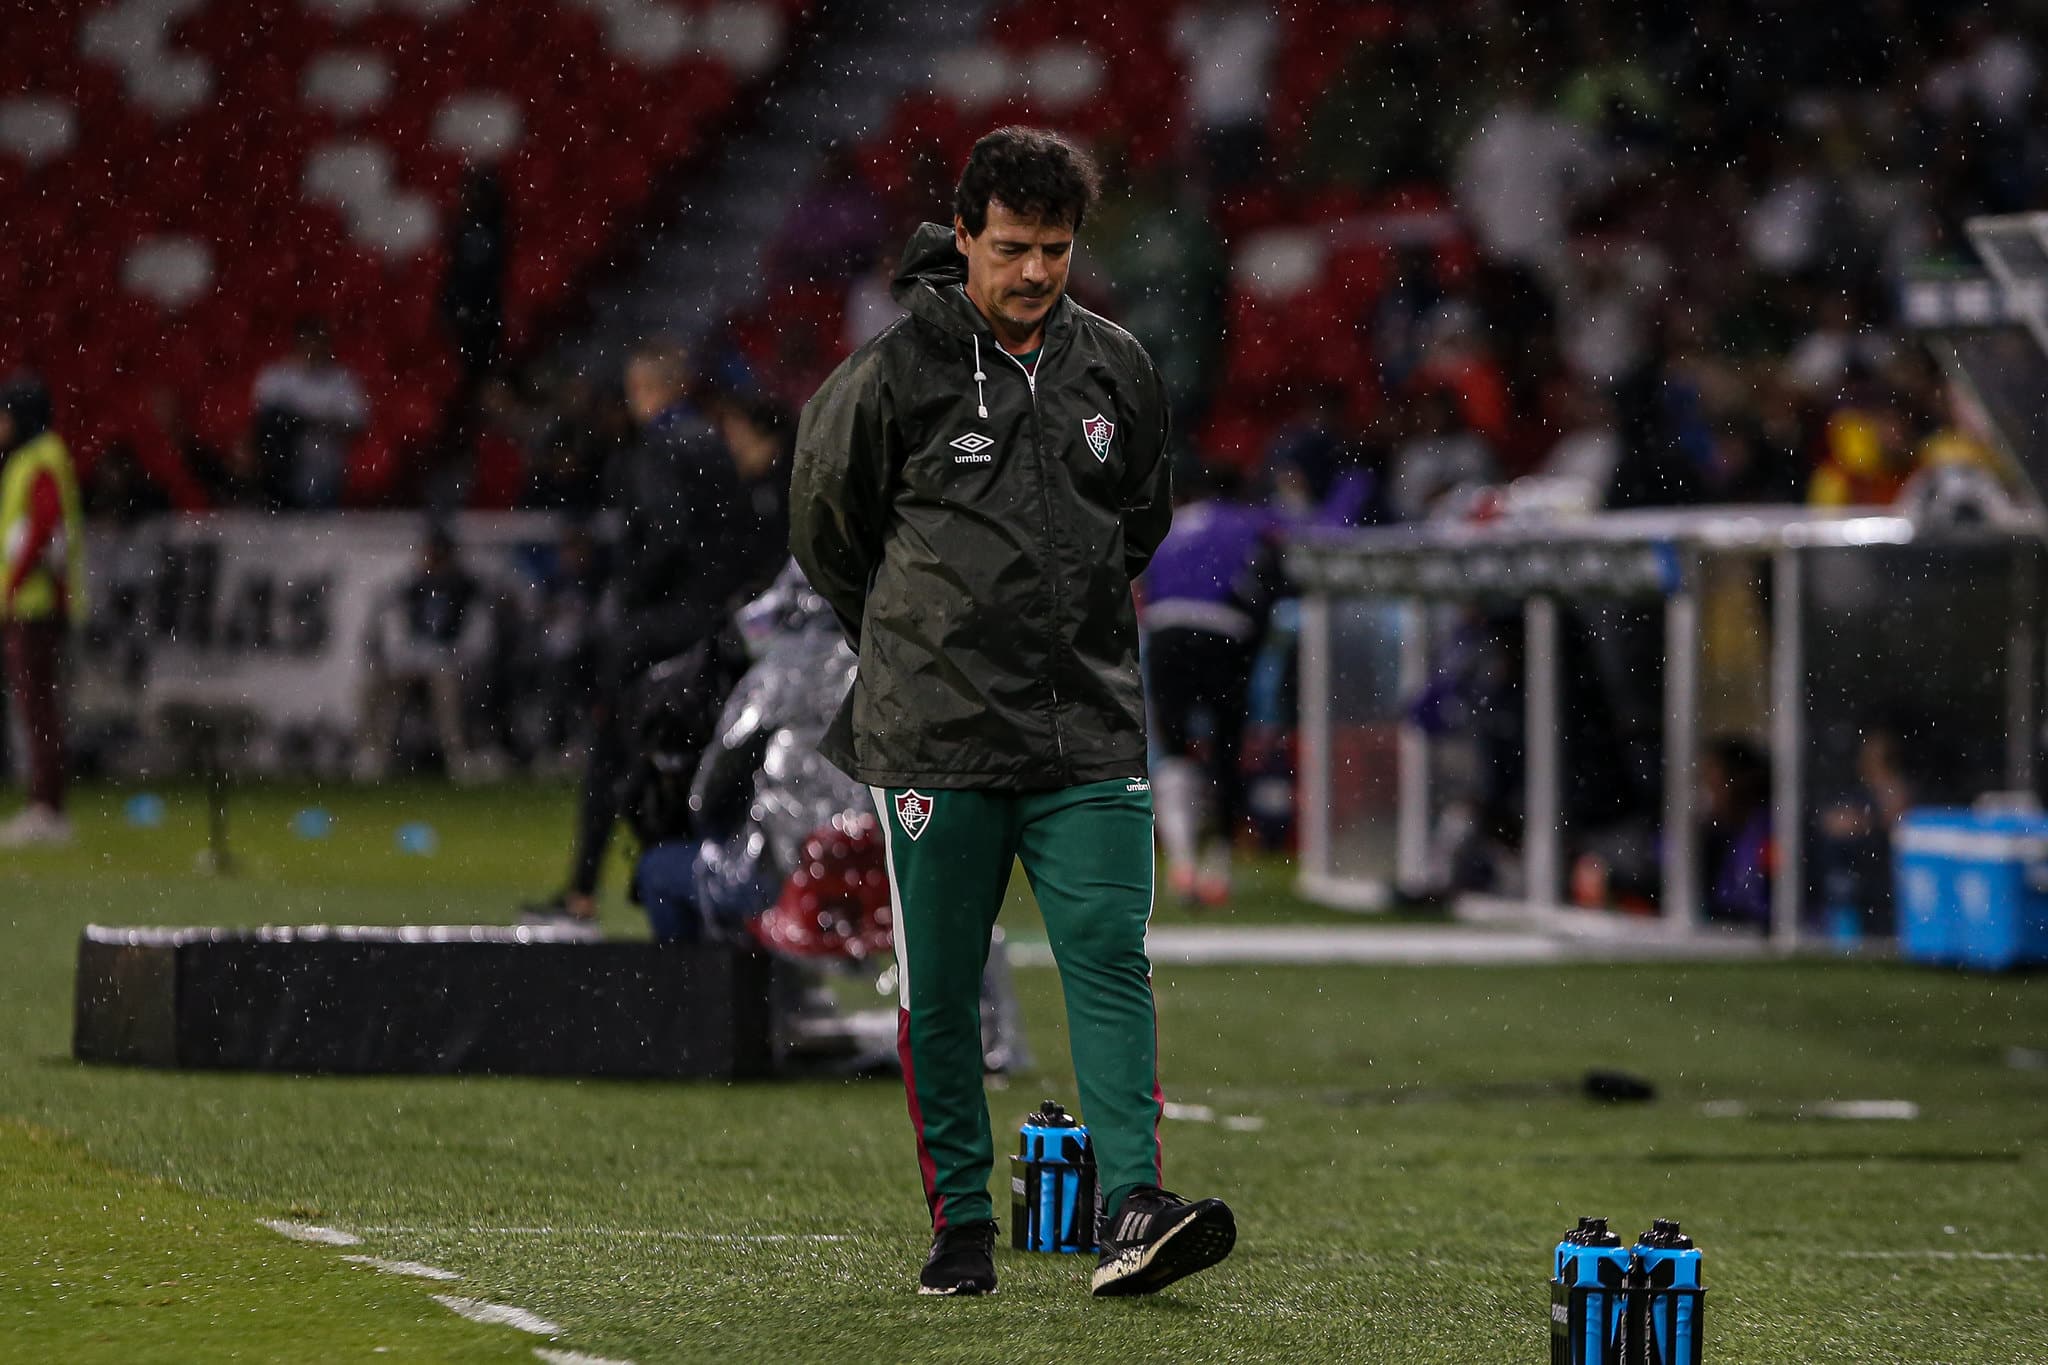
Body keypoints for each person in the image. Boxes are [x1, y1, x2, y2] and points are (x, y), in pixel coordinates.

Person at [790, 126, 1235, 1299]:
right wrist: (912, 639)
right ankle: (963, 1229)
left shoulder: (1114, 368)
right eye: (1011, 248)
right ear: (966, 236)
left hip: (1084, 725)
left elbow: (1133, 522)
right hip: (934, 734)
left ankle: (1134, 1204)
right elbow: (826, 527)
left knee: (1108, 957)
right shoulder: (894, 373)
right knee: (936, 989)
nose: (1034, 270)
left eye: (1053, 248)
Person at [523, 343, 785, 936]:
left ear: (643, 391)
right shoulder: (717, 448)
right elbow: (739, 542)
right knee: (699, 761)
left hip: (660, 629)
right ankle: (709, 891)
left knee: (613, 754)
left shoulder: (656, 449)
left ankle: (583, 896)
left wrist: (632, 599)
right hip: (711, 635)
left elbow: (664, 535)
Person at [1142, 464, 1285, 906]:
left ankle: (1181, 863)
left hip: (1166, 633)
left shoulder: (1171, 527)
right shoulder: (1249, 522)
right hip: (1222, 634)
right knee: (1226, 748)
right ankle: (1218, 867)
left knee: (1174, 750)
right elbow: (1283, 565)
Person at [0, 374, 85, 847]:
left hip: (35, 605)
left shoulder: (40, 459)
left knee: (38, 708)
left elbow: (44, 528)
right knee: (38, 707)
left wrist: (15, 584)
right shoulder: (35, 458)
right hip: (33, 602)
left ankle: (47, 809)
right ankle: (45, 804)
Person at [355, 521, 503, 783]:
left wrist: (451, 657)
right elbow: (387, 630)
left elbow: (479, 638)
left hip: (451, 663)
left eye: (440, 554)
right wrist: (403, 657)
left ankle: (457, 755)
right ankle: (374, 752)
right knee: (372, 686)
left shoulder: (469, 590)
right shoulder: (409, 588)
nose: (434, 561)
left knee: (446, 687)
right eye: (431, 553)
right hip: (411, 661)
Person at [249, 317, 369, 510]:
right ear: (297, 344)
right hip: (284, 472)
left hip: (327, 469)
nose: (313, 349)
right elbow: (265, 423)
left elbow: (357, 424)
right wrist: (306, 423)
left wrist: (309, 422)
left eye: (318, 342)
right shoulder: (277, 377)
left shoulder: (342, 380)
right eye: (308, 342)